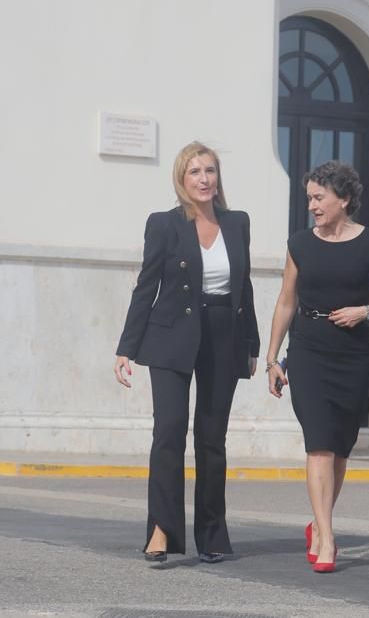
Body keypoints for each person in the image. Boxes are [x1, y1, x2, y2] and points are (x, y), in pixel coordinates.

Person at [114, 141, 260, 564]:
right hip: (171, 334)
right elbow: (146, 286)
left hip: (223, 335)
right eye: (195, 171)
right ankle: (161, 529)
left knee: (213, 440)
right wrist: (127, 347)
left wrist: (249, 342)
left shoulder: (238, 223)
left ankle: (212, 535)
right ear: (182, 179)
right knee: (170, 431)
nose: (204, 179)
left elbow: (243, 287)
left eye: (210, 170)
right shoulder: (164, 224)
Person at [265, 161, 369, 573]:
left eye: (319, 197)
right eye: (309, 197)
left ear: (343, 199)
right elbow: (286, 301)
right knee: (320, 444)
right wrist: (273, 358)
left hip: (351, 353)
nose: (312, 205)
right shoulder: (299, 244)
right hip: (309, 350)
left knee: (341, 448)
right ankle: (327, 538)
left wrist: (365, 311)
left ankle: (318, 521)